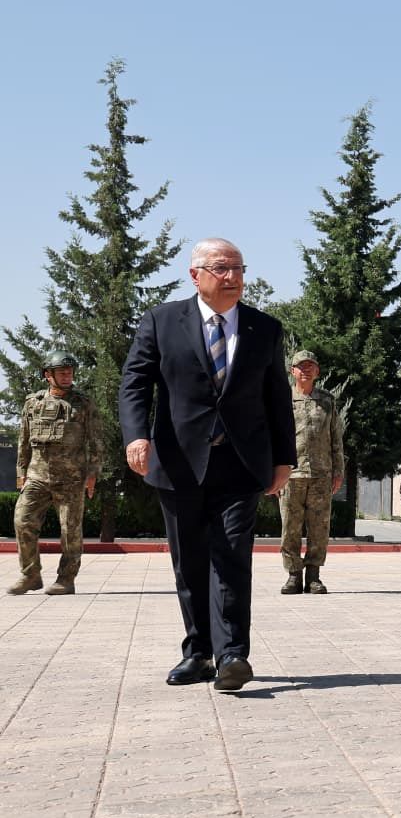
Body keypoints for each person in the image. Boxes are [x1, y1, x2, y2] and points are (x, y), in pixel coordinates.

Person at [119, 238, 296, 692]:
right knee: (190, 562)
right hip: (178, 462)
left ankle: (233, 653)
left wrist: (283, 459)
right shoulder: (162, 321)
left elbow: (278, 399)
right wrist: (137, 435)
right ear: (195, 274)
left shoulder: (264, 329)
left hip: (240, 463)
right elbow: (135, 383)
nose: (233, 277)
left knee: (233, 556)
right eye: (222, 269)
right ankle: (198, 653)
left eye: (238, 268)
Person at [8, 350, 102, 596]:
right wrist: (21, 472)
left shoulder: (83, 403)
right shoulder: (33, 403)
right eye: (62, 372)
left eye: (70, 372)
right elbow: (24, 440)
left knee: (70, 531)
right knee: (22, 521)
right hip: (37, 476)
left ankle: (66, 580)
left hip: (71, 479)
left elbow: (96, 441)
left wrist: (92, 473)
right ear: (47, 375)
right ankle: (30, 575)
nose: (67, 376)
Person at [278, 350, 345, 595]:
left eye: (310, 366)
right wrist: (274, 471)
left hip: (321, 475)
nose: (305, 370)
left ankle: (314, 576)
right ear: (292, 371)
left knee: (319, 528)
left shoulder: (327, 401)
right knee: (290, 528)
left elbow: (335, 438)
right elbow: (275, 438)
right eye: (300, 366)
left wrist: (339, 470)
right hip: (291, 475)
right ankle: (294, 576)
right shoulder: (283, 400)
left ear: (317, 372)